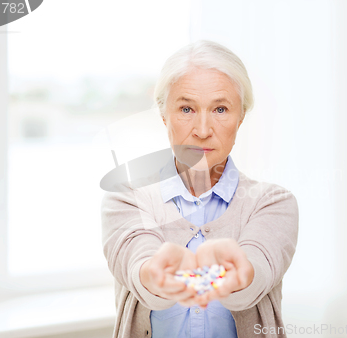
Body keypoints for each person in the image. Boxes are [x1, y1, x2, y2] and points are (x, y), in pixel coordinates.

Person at [101, 40, 299, 338]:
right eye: (186, 108)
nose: (203, 129)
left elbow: (258, 269)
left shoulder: (273, 202)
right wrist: (156, 274)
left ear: (240, 117)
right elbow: (137, 262)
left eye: (220, 109)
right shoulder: (126, 195)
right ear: (163, 115)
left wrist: (239, 272)